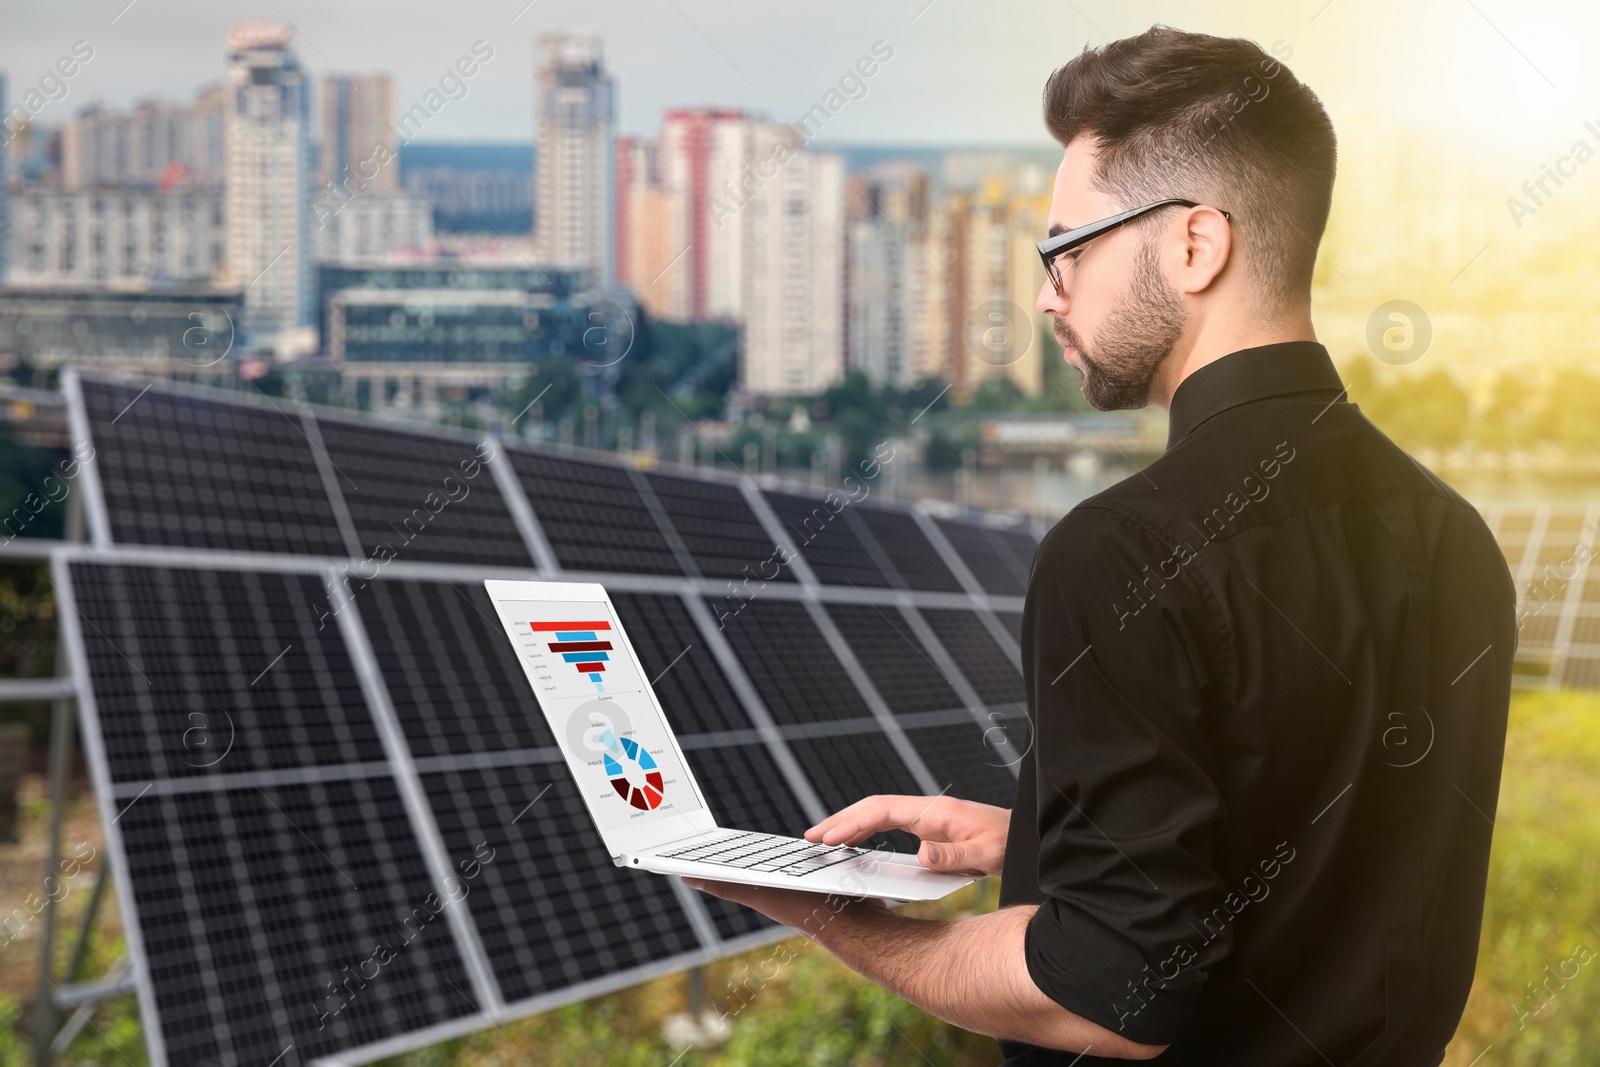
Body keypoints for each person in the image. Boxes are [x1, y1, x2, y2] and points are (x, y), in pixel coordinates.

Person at [684, 25, 1516, 1065]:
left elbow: (1109, 995)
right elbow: (1322, 855)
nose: (1047, 292)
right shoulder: (1452, 534)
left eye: (1069, 246)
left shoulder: (1120, 551)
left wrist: (833, 915)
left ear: (1194, 245)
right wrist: (1035, 837)